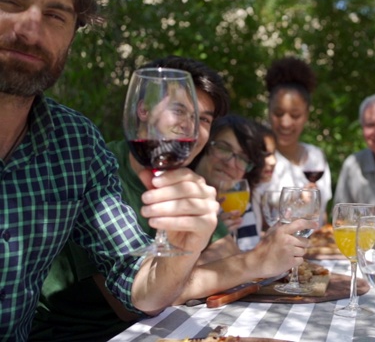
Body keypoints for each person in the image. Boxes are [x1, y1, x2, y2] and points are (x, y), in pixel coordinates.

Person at [1, 0, 219, 341]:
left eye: (56, 15)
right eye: (9, 1)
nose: (30, 28)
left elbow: (136, 284)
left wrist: (184, 247)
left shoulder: (76, 144)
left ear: (73, 33)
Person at [30, 55, 231, 341]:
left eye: (202, 119)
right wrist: (254, 264)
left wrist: (184, 259)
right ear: (143, 110)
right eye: (179, 110)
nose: (190, 126)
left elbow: (226, 250)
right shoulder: (100, 165)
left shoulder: (187, 183)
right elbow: (129, 302)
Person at [263, 57, 332, 222]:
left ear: (306, 115)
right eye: (278, 114)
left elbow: (323, 216)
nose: (286, 123)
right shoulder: (260, 159)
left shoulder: (316, 157)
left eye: (295, 115)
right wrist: (295, 206)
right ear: (268, 112)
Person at [194, 115, 266, 251]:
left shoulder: (240, 203)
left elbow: (247, 263)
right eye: (223, 148)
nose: (230, 163)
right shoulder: (179, 196)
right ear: (204, 146)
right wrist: (211, 237)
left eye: (242, 158)